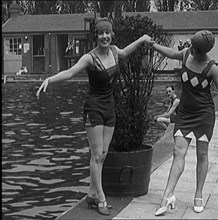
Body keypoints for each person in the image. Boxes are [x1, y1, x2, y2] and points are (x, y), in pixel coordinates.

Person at [36, 17, 152, 216]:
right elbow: (71, 72)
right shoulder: (90, 58)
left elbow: (125, 52)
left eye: (107, 32)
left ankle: (91, 194)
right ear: (96, 36)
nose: (104, 36)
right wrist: (49, 79)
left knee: (103, 155)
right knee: (96, 156)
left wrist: (141, 39)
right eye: (100, 33)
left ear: (111, 34)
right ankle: (101, 198)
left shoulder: (115, 51)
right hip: (94, 109)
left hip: (110, 109)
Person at [148, 30, 218, 216]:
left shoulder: (212, 68)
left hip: (204, 115)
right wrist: (152, 45)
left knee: (202, 155)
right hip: (185, 113)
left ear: (203, 51)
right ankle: (168, 196)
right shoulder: (185, 55)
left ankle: (198, 194)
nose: (190, 49)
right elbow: (170, 52)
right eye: (191, 45)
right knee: (178, 152)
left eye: (194, 48)